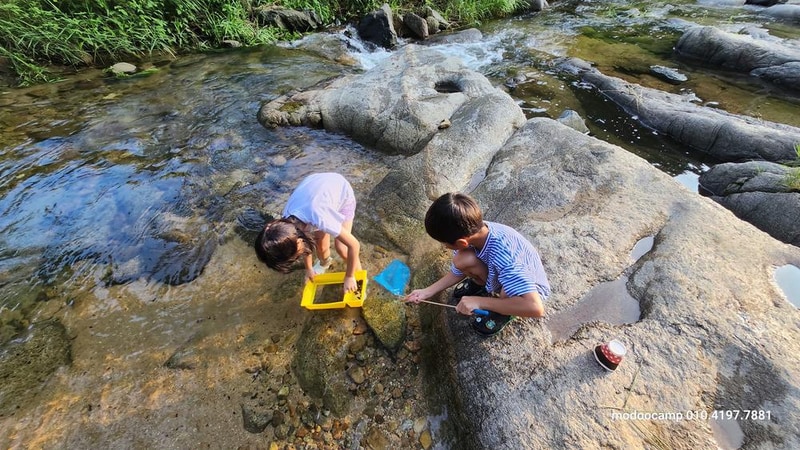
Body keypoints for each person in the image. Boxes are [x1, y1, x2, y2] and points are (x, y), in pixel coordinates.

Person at [405, 192, 550, 336]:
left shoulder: (505, 257)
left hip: (528, 292)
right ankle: (483, 286)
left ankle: (505, 312)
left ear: (462, 242)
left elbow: (535, 308)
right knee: (462, 259)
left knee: (508, 292)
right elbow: (457, 270)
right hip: (500, 271)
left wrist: (479, 302)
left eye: (444, 243)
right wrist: (427, 292)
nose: (444, 246)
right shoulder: (471, 228)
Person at [254, 172, 362, 293]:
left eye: (296, 256)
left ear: (299, 240)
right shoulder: (286, 225)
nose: (297, 258)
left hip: (341, 193)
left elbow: (354, 245)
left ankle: (359, 277)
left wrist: (349, 276)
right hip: (317, 192)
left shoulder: (321, 218)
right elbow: (305, 244)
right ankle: (325, 263)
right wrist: (309, 269)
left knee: (342, 248)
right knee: (321, 245)